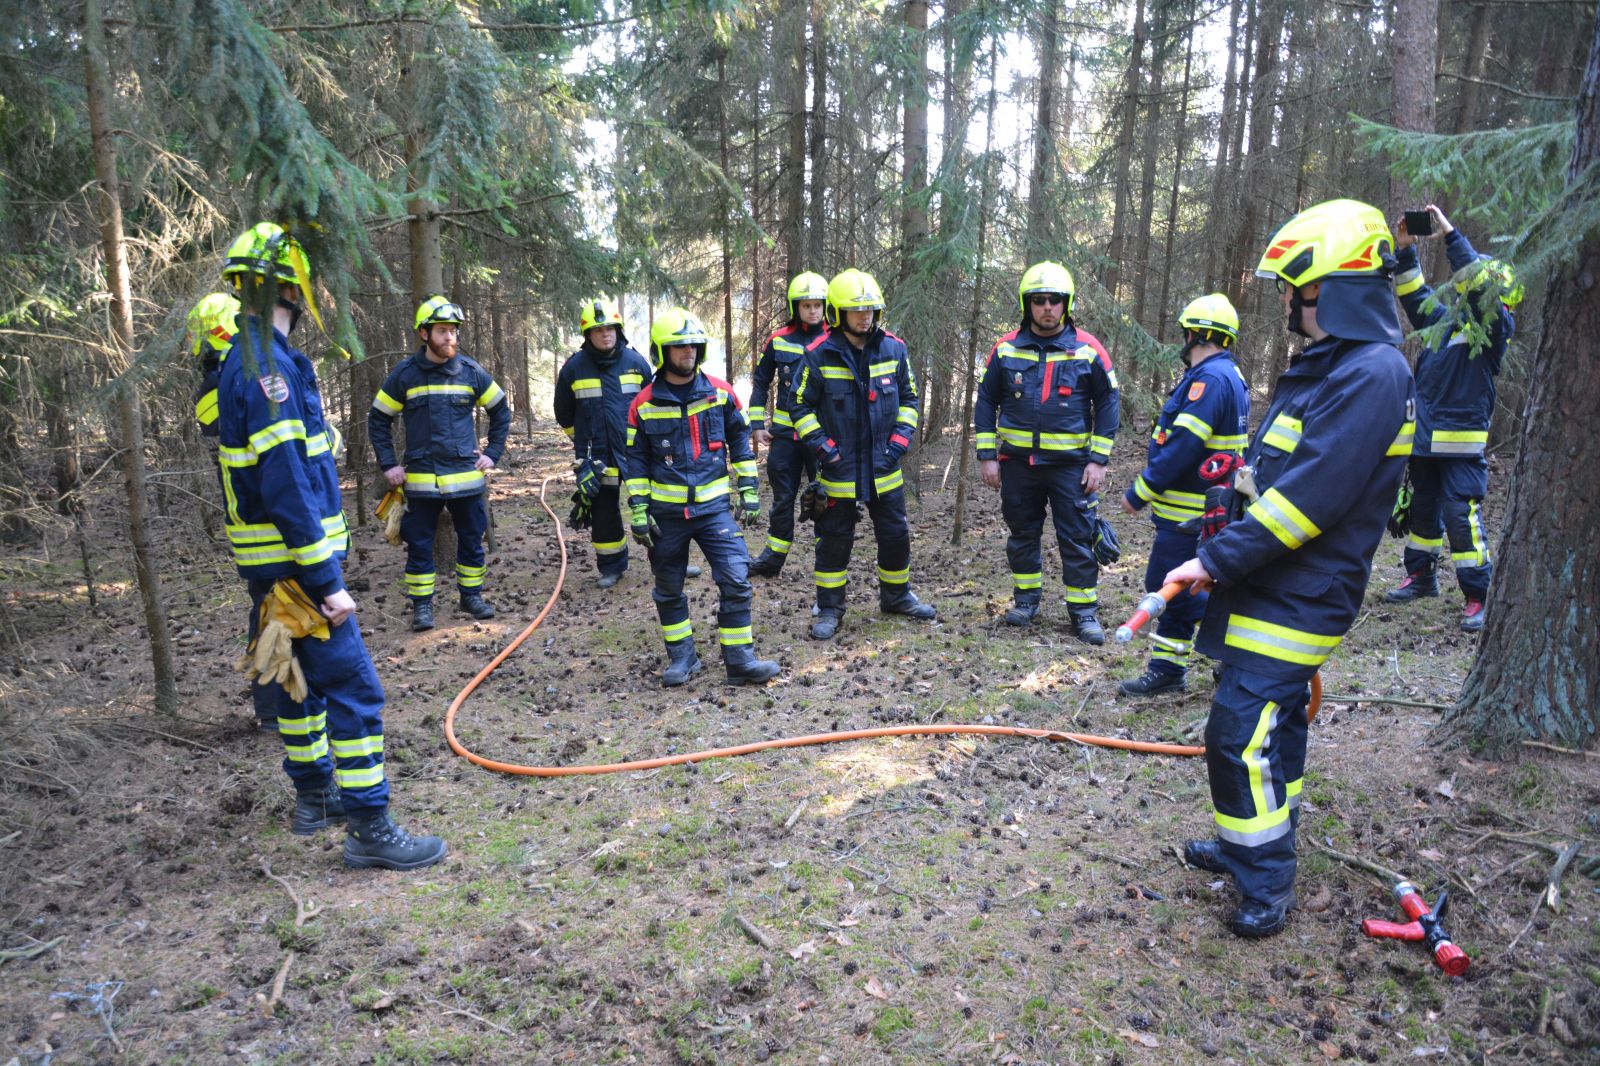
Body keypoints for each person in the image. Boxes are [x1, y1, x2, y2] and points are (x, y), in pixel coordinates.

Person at [1164, 199, 1414, 937]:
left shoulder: (1372, 373)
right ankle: (1255, 841)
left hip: (1306, 589)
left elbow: (1309, 501)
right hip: (1271, 578)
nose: (1287, 302)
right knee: (1271, 728)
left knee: (1236, 733)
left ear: (1338, 288)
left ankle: (1265, 881)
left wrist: (1215, 559)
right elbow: (1278, 473)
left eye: (1297, 289)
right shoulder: (1331, 366)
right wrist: (1230, 503)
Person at [217, 221, 446, 869]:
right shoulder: (268, 372)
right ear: (291, 288)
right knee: (356, 690)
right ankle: (371, 828)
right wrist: (325, 581)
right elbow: (286, 481)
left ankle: (317, 798)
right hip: (298, 572)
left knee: (299, 686)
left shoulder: (250, 360)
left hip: (275, 570)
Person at [622, 308, 781, 686]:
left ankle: (740, 661)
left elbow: (740, 444)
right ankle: (683, 658)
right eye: (679, 346)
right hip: (667, 515)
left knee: (736, 579)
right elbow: (636, 462)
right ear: (662, 351)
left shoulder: (721, 393)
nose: (688, 351)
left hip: (714, 511)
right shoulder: (643, 404)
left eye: (693, 345)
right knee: (668, 588)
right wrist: (639, 509)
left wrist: (749, 489)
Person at [1384, 205, 1519, 632]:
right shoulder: (1447, 323)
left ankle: (1479, 595)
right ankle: (1421, 576)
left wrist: (1451, 237)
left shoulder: (1493, 329)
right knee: (1424, 512)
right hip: (1425, 441)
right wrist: (1405, 250)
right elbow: (1415, 297)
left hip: (1461, 446)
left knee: (1460, 516)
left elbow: (1479, 292)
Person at [973, 261, 1119, 643]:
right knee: (1022, 534)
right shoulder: (1006, 349)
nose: (1048, 307)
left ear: (1067, 303)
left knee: (1078, 538)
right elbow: (986, 401)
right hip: (1018, 464)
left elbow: (1108, 402)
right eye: (1039, 300)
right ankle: (1026, 602)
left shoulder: (1088, 349)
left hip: (1072, 467)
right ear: (1027, 304)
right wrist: (987, 455)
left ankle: (1083, 613)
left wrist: (1098, 460)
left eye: (1055, 300)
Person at [788, 269, 938, 641]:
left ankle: (897, 596)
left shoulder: (894, 349)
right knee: (834, 540)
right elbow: (799, 405)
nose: (864, 316)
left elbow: (910, 400)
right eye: (856, 310)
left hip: (884, 466)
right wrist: (824, 448)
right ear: (838, 313)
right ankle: (830, 609)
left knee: (895, 535)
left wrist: (899, 444)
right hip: (839, 469)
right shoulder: (818, 354)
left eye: (870, 309)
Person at [1118, 294, 1249, 695]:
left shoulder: (1209, 381)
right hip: (1205, 511)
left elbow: (1184, 445)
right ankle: (1206, 664)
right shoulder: (1227, 375)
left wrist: (1142, 490)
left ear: (1196, 335)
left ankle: (1188, 667)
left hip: (1190, 514)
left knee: (1173, 586)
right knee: (1189, 586)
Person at [369, 296, 511, 631]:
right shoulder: (405, 375)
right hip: (421, 480)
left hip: (466, 479)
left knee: (471, 540)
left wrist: (492, 453)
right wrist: (389, 465)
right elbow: (378, 419)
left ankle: (471, 597)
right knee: (419, 545)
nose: (450, 337)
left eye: (453, 331)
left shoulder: (471, 372)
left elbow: (501, 411)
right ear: (424, 334)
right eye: (443, 331)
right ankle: (422, 607)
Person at [554, 299, 658, 589]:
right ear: (588, 334)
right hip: (597, 456)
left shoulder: (636, 363)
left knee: (655, 505)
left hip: (637, 452)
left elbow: (653, 405)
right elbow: (563, 412)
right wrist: (581, 441)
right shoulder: (574, 368)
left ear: (618, 330)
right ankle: (612, 567)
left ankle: (668, 560)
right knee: (604, 513)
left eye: (610, 328)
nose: (605, 334)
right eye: (598, 329)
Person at [747, 272, 830, 577]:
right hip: (784, 438)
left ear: (825, 306)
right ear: (795, 307)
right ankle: (772, 560)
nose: (812, 311)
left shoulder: (835, 339)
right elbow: (760, 382)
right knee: (783, 500)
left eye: (817, 305)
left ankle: (828, 560)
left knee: (826, 499)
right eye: (806, 305)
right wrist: (757, 424)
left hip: (822, 438)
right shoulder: (778, 339)